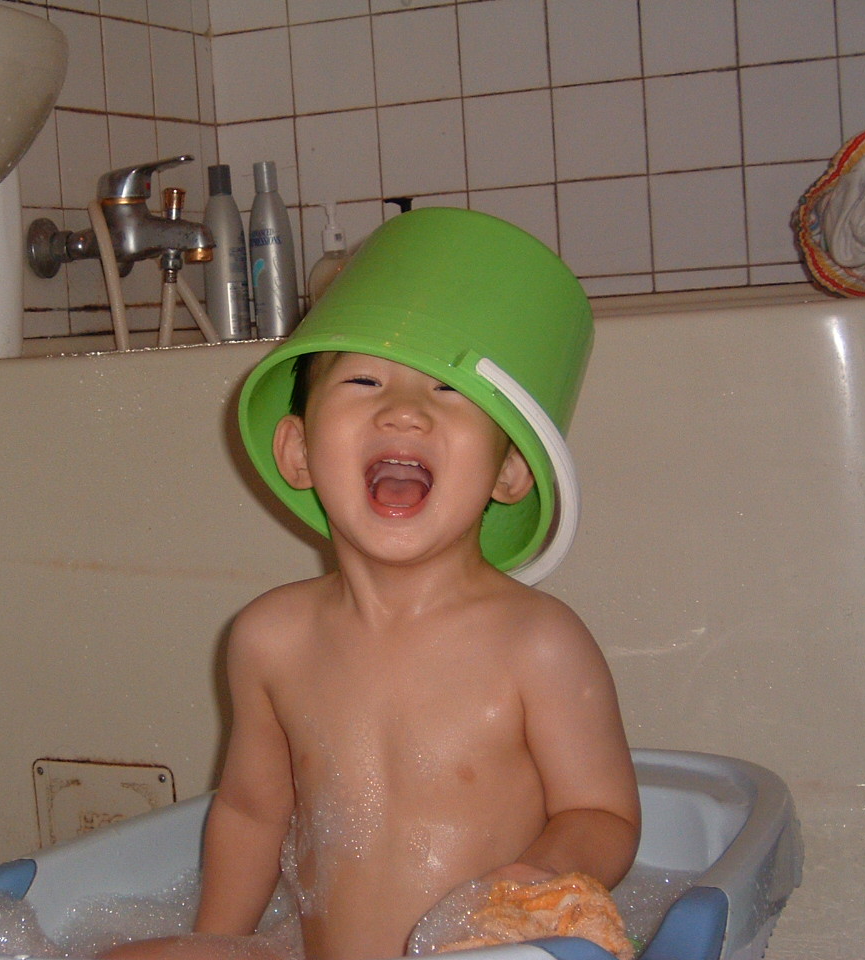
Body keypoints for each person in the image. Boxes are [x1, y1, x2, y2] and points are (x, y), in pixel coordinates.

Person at [108, 209, 640, 960]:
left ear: (510, 471)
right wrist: (215, 945)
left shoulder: (537, 643)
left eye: (448, 390)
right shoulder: (271, 639)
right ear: (298, 452)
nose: (404, 410)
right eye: (363, 380)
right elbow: (253, 813)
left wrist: (535, 882)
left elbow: (602, 813)